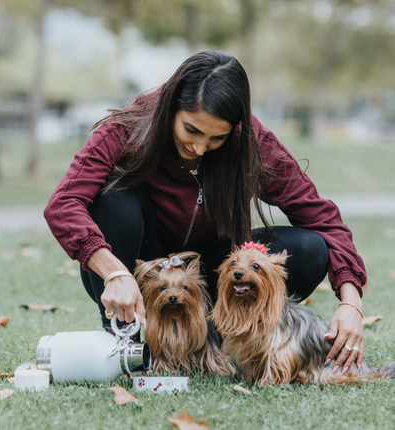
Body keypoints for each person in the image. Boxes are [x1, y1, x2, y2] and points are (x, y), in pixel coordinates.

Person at [44, 51, 367, 376]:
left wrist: (351, 302)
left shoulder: (253, 143)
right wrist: (115, 272)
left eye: (217, 138)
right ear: (172, 107)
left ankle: (227, 338)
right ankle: (125, 337)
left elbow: (324, 220)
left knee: (310, 248)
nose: (200, 148)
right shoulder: (128, 127)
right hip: (140, 276)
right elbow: (63, 203)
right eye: (192, 130)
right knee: (112, 197)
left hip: (217, 277)